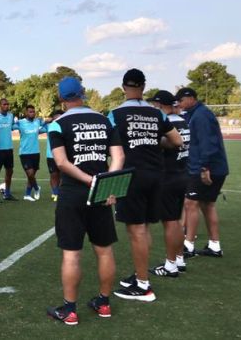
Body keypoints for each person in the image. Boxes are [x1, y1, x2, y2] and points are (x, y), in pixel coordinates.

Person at [46, 77, 124, 326]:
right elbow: (119, 156)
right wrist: (106, 184)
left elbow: (61, 163)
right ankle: (103, 303)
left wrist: (88, 181)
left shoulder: (58, 125)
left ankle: (70, 310)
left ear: (61, 98)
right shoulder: (104, 120)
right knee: (104, 250)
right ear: (83, 94)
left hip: (73, 194)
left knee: (72, 254)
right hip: (101, 192)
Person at [109, 69, 182, 302]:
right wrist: (153, 142)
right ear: (143, 86)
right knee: (145, 228)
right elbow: (177, 140)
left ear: (124, 87)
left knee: (136, 229)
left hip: (131, 176)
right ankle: (140, 274)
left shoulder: (115, 114)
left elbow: (108, 145)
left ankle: (143, 286)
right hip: (157, 175)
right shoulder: (157, 113)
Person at [176, 87, 229, 258]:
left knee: (191, 204)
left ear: (190, 98)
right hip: (213, 167)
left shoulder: (201, 116)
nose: (180, 104)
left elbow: (207, 143)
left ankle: (188, 246)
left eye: (182, 100)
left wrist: (205, 168)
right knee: (207, 205)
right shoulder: (197, 114)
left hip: (204, 168)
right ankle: (214, 245)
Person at [146, 91, 190, 276]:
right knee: (177, 221)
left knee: (170, 222)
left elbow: (167, 143)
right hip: (182, 173)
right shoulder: (183, 121)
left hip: (169, 176)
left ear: (160, 104)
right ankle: (178, 259)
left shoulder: (167, 123)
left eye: (154, 104)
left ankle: (170, 265)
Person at [17, 105, 48, 201]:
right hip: (24, 153)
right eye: (30, 111)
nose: (32, 113)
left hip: (36, 152)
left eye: (33, 112)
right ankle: (36, 188)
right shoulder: (20, 123)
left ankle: (27, 194)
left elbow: (45, 129)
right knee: (30, 174)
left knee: (31, 176)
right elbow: (11, 127)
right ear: (26, 113)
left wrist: (45, 122)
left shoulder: (37, 122)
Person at [0, 98, 19, 201]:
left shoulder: (11, 116)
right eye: (4, 104)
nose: (7, 106)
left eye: (8, 104)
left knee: (9, 171)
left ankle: (7, 193)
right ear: (0, 105)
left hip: (9, 148)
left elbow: (13, 126)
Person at [46, 110, 65, 202]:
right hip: (51, 155)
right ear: (53, 117)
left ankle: (60, 193)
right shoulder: (49, 126)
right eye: (56, 116)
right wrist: (45, 121)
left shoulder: (65, 126)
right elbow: (38, 128)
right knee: (53, 174)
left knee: (62, 175)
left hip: (63, 155)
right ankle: (55, 192)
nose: (58, 118)